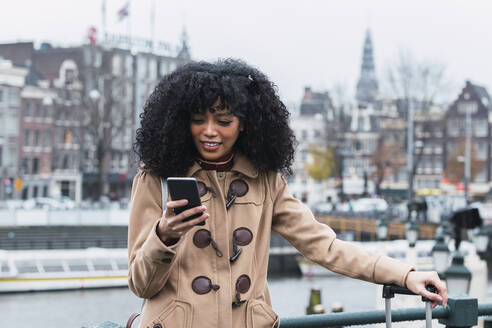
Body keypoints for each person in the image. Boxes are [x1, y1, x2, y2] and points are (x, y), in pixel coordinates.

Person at [128, 59, 447, 328]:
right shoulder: (155, 179)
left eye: (224, 121)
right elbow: (141, 283)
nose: (209, 131)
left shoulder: (265, 180)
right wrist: (164, 235)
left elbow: (324, 246)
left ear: (244, 125)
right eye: (198, 120)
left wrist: (405, 275)